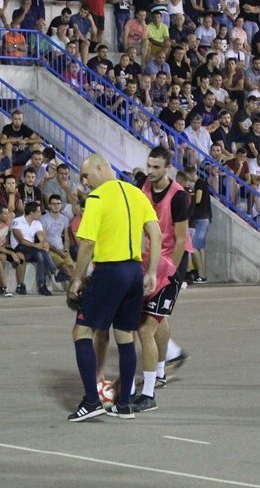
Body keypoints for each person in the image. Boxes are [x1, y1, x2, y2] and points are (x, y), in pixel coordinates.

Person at [67, 154, 161, 422]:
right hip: (134, 272)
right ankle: (124, 404)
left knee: (81, 332)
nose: (85, 182)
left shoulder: (97, 198)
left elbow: (87, 243)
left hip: (110, 270)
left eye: (86, 175)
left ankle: (91, 401)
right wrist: (151, 272)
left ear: (100, 168)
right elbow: (155, 234)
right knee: (125, 336)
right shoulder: (136, 193)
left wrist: (77, 278)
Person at [132, 147, 190, 409]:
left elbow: (180, 240)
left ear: (168, 168)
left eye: (156, 167)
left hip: (169, 262)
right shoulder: (141, 187)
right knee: (158, 317)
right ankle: (164, 367)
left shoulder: (179, 197)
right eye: (149, 166)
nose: (151, 171)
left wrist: (168, 274)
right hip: (148, 260)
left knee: (145, 328)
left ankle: (151, 386)